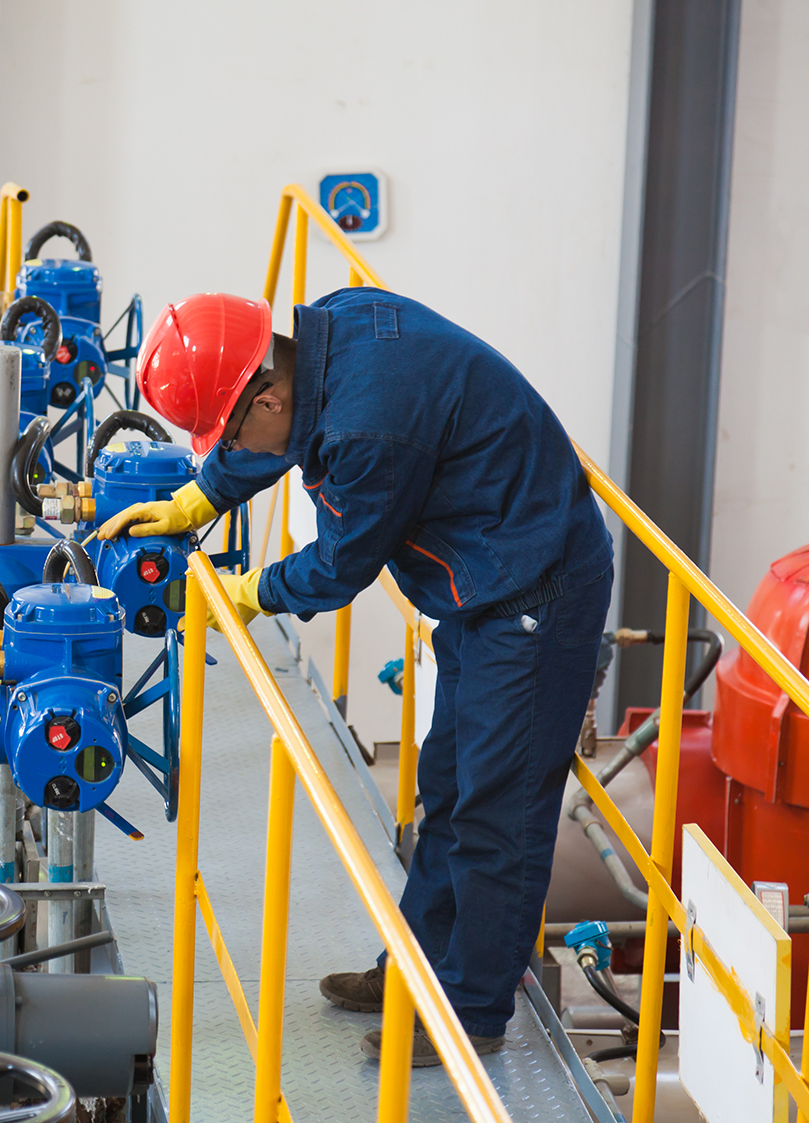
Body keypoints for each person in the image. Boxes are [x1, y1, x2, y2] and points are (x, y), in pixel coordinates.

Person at [100, 289, 613, 1065]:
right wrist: (195, 497)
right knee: (446, 788)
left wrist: (240, 595)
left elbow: (338, 567)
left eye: (230, 429)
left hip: (532, 588)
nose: (232, 443)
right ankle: (414, 972)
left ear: (266, 394)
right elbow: (271, 436)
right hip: (485, 574)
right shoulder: (324, 334)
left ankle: (467, 1016)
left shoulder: (366, 428)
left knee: (496, 811)